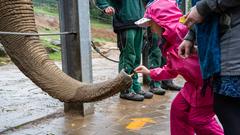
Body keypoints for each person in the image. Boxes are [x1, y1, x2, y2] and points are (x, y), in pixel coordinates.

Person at [134, 0, 224, 134]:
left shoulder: (186, 33)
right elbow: (171, 70)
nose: (151, 28)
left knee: (199, 119)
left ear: (161, 21)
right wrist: (150, 72)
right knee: (178, 109)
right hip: (193, 85)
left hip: (208, 85)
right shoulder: (167, 42)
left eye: (151, 24)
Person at [178, 0, 240, 134]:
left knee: (227, 108)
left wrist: (202, 7)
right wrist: (191, 35)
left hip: (232, 55)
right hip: (223, 54)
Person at [96, 0, 153, 101]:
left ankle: (135, 87)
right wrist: (106, 6)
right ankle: (125, 89)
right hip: (125, 23)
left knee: (136, 58)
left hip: (138, 23)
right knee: (128, 57)